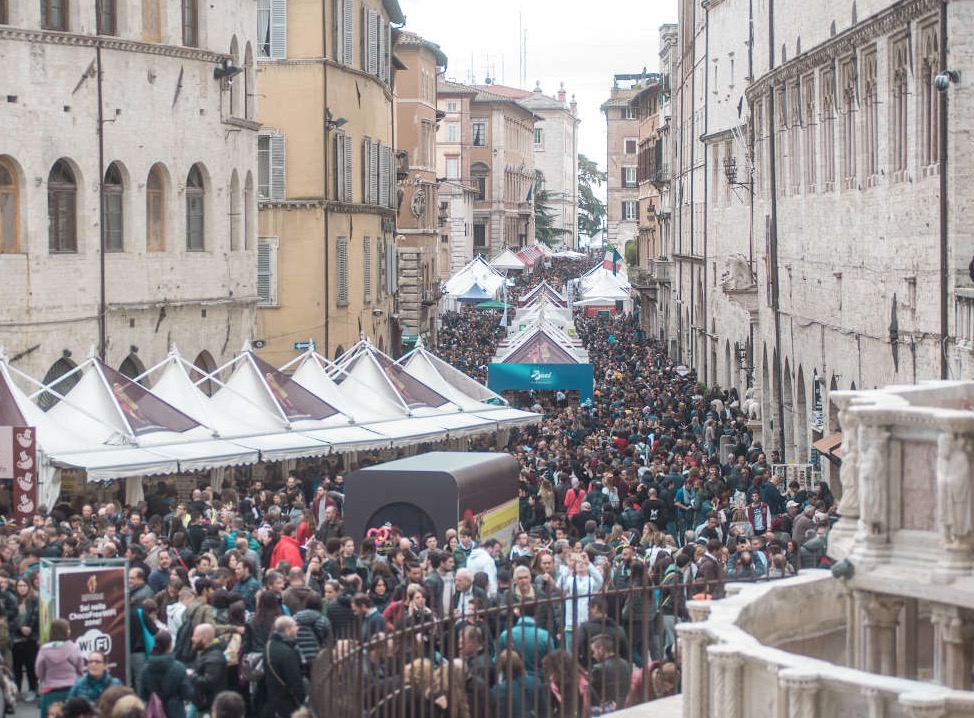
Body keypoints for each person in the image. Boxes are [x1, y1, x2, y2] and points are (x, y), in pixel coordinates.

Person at [255, 617, 306, 718]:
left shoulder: (269, 645)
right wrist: (304, 702)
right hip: (287, 705)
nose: (298, 629)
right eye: (295, 626)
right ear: (287, 630)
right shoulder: (287, 653)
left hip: (273, 703)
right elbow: (295, 683)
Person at [35, 619, 85, 718]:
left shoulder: (44, 649)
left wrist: (45, 678)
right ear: (66, 631)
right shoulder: (73, 648)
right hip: (71, 690)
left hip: (50, 691)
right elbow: (80, 667)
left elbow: (39, 670)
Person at [138, 631, 194, 718]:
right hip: (175, 712)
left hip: (154, 712)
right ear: (170, 645)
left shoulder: (145, 669)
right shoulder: (178, 667)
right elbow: (186, 693)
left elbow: (143, 695)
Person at [11, 576, 39, 702]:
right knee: (16, 667)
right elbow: (10, 618)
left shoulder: (34, 600)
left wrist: (30, 629)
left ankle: (32, 689)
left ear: (29, 586)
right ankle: (17, 690)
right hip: (16, 638)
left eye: (24, 585)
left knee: (31, 666)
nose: (22, 588)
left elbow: (36, 616)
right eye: (19, 586)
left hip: (31, 638)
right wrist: (20, 627)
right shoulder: (13, 601)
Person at [189, 623, 226, 717]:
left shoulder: (214, 659)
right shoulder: (204, 653)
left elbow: (209, 682)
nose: (192, 638)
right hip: (201, 703)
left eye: (195, 636)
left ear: (205, 638)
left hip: (208, 706)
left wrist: (191, 676)